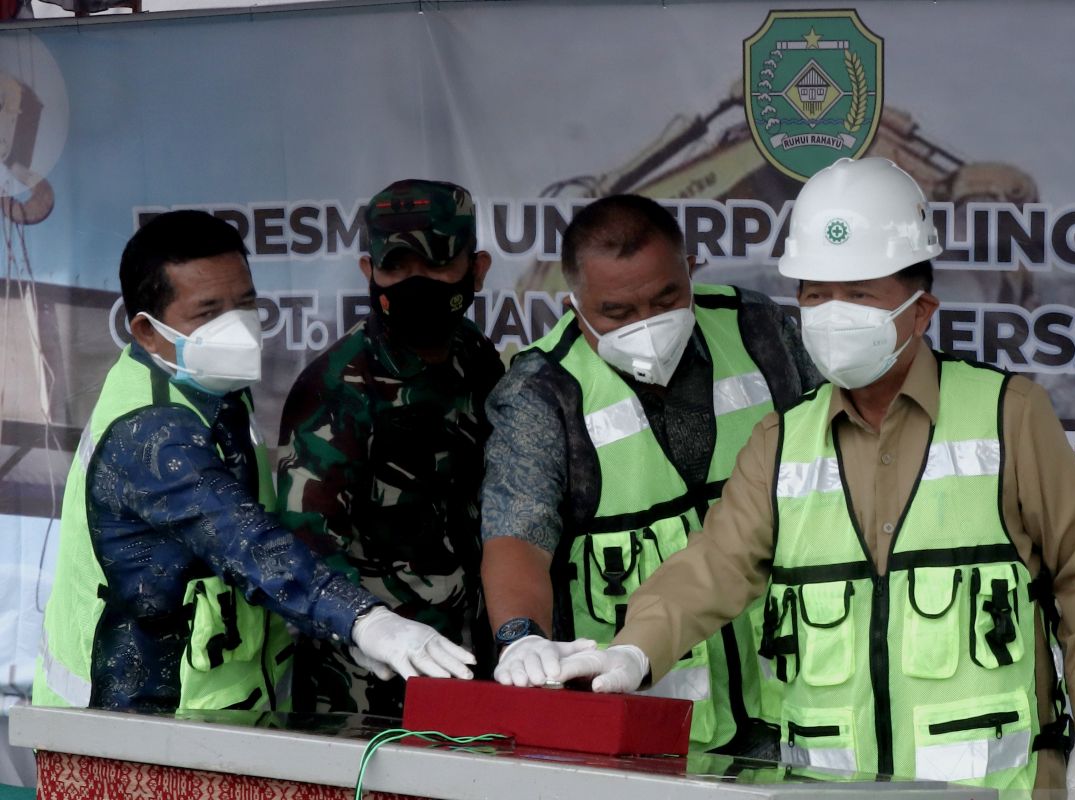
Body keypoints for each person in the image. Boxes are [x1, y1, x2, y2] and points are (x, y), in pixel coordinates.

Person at [558, 158, 1075, 796]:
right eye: (814, 293)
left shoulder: (1010, 415)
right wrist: (635, 649)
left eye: (859, 293)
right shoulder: (782, 442)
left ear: (922, 311)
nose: (832, 313)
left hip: (997, 787)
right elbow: (712, 568)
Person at [33, 209, 475, 713]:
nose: (236, 326)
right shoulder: (150, 430)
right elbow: (245, 542)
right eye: (208, 313)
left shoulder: (206, 385)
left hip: (221, 716)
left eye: (245, 303)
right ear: (147, 331)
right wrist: (363, 620)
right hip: (135, 727)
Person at [480, 193, 821, 755]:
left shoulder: (757, 331)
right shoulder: (545, 391)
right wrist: (520, 638)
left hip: (796, 707)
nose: (648, 325)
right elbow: (517, 534)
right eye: (616, 312)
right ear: (575, 304)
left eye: (667, 299)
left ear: (691, 270)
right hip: (647, 727)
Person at [276, 179, 503, 716]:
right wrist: (371, 626)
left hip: (474, 661)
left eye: (436, 264)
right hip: (366, 686)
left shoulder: (477, 358)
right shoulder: (335, 387)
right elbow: (305, 552)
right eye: (395, 267)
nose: (414, 282)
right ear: (368, 272)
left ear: (477, 269)